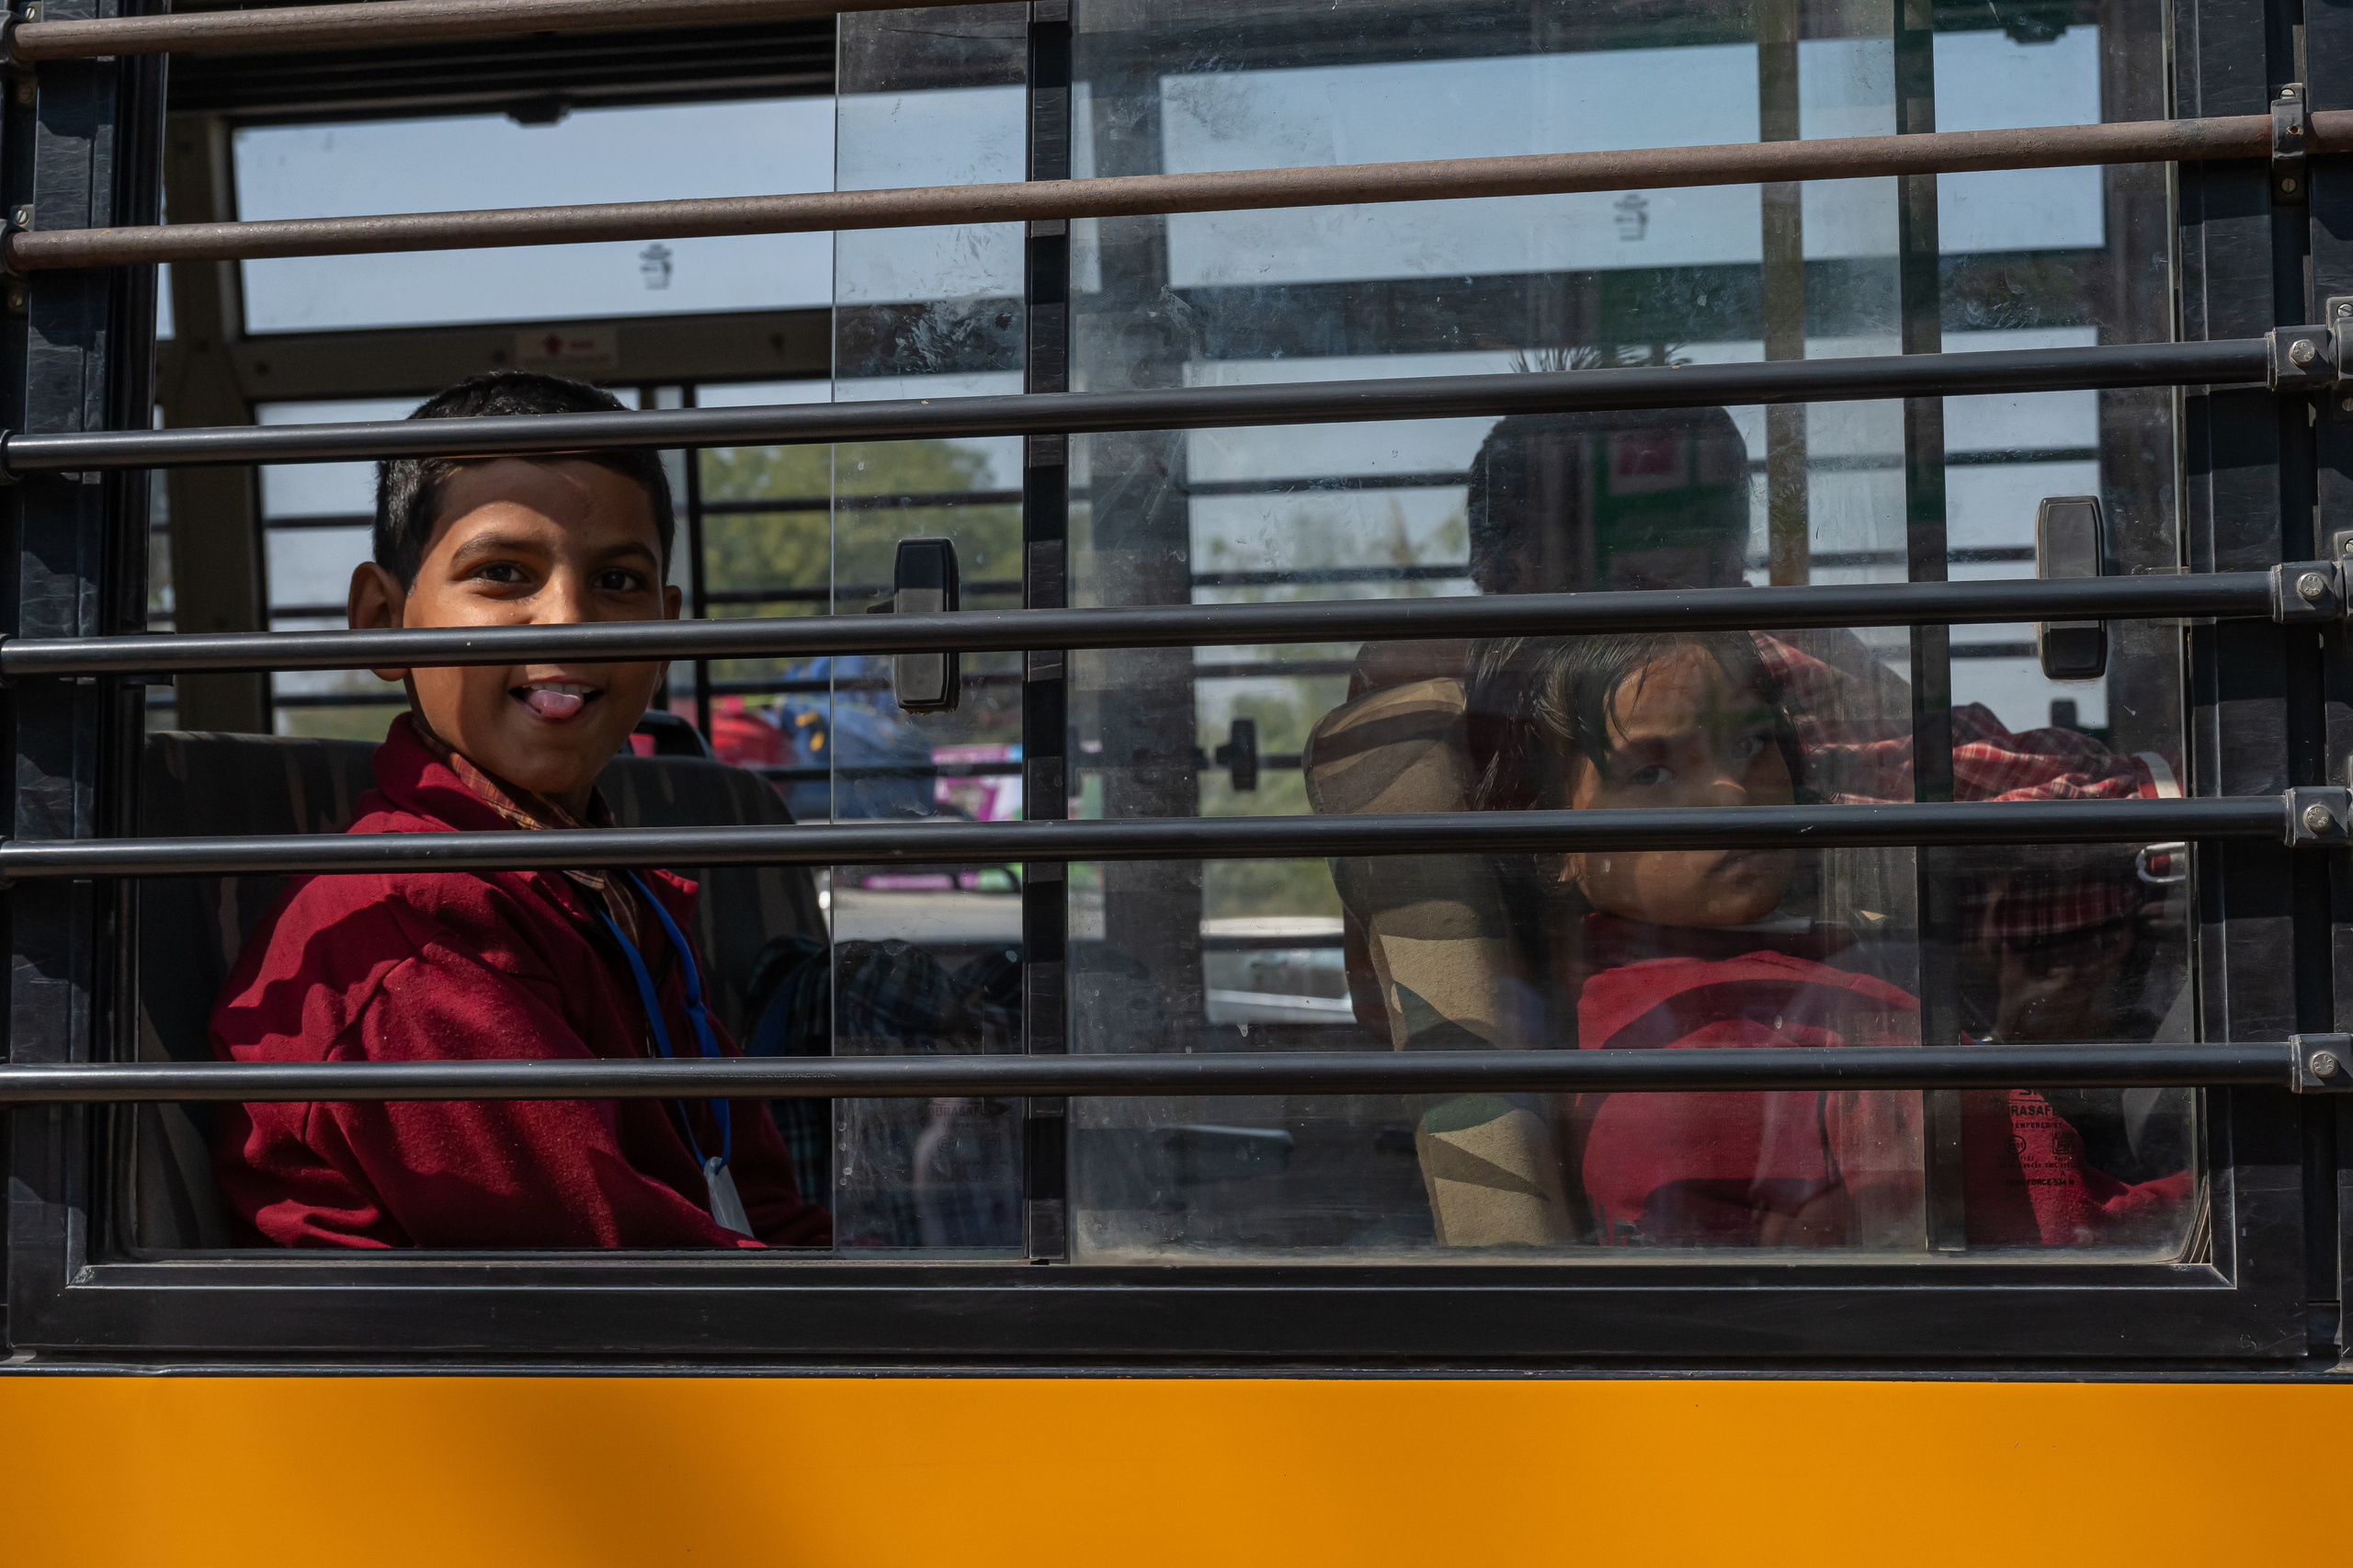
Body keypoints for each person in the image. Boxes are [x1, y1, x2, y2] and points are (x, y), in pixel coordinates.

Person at [209, 371, 830, 1250]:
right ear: (383, 621)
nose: (568, 622)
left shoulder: (603, 886)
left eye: (618, 579)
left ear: (668, 630)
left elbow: (757, 1206)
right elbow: (635, 1270)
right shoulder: (407, 940)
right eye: (502, 573)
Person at [1461, 627, 2192, 1249]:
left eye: (1749, 742)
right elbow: (2080, 1249)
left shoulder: (1685, 993)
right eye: (1651, 771)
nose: (1733, 793)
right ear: (1545, 830)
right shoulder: (1749, 1064)